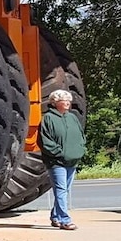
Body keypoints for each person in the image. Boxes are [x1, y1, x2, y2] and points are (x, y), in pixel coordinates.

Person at [40, 89, 86, 230]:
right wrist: (60, 153)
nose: (67, 103)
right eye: (63, 100)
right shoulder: (48, 118)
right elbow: (45, 141)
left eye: (68, 100)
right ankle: (65, 220)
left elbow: (80, 136)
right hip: (56, 162)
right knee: (60, 190)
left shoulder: (72, 117)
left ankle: (56, 216)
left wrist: (80, 149)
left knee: (64, 190)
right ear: (55, 102)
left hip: (72, 160)